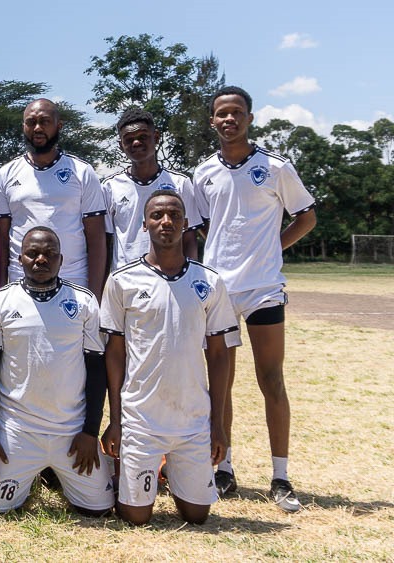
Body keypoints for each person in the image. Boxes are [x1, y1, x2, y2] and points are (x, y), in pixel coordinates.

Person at [192, 86, 317, 512]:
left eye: (237, 113)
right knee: (220, 384)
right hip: (219, 292)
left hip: (264, 289)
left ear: (249, 117)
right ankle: (223, 467)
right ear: (212, 121)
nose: (229, 120)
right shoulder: (203, 172)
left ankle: (281, 476)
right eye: (221, 114)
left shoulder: (275, 167)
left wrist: (273, 249)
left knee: (271, 380)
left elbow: (307, 216)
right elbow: (204, 225)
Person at [100, 190, 235, 525]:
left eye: (174, 215)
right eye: (157, 215)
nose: (166, 222)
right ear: (144, 224)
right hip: (141, 419)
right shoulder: (122, 281)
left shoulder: (210, 282)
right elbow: (114, 355)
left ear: (186, 224)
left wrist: (217, 425)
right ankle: (131, 472)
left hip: (191, 420)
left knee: (197, 516)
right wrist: (115, 420)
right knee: (136, 518)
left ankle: (170, 468)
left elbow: (219, 357)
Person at [0, 227, 112, 516]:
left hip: (72, 432)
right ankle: (35, 473)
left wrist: (90, 432)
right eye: (32, 253)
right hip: (17, 431)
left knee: (98, 509)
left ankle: (56, 474)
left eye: (49, 254)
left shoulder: (84, 301)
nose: (40, 259)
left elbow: (97, 371)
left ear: (61, 260)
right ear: (20, 258)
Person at [0, 98, 107, 301]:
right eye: (31, 122)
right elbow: (1, 240)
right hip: (21, 281)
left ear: (58, 125)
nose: (37, 128)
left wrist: (95, 295)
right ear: (23, 126)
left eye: (44, 121)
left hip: (74, 280)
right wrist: (1, 291)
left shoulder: (82, 172)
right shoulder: (5, 174)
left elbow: (97, 239)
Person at [102, 107, 200, 268]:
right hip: (126, 280)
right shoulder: (109, 187)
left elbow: (189, 238)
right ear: (120, 145)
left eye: (143, 137)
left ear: (156, 137)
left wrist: (191, 277)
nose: (136, 143)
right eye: (128, 139)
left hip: (172, 277)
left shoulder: (180, 183)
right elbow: (105, 242)